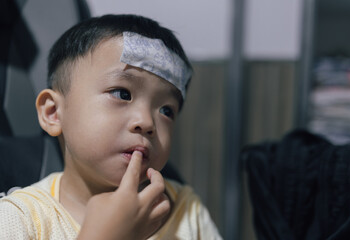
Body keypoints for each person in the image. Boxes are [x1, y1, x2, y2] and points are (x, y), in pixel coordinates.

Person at [0, 14, 222, 239]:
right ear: (54, 113)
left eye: (166, 110)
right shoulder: (20, 218)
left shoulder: (186, 210)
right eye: (122, 94)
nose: (146, 122)